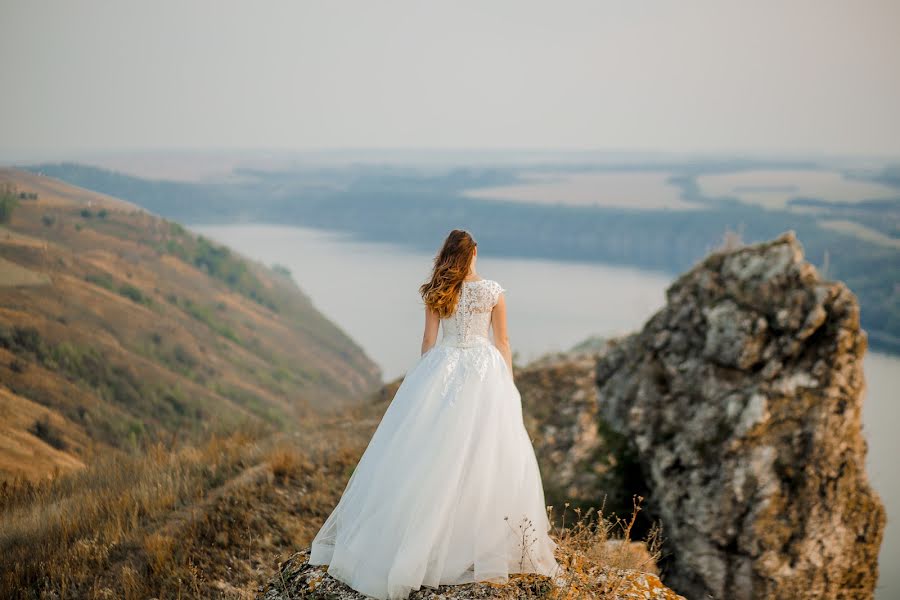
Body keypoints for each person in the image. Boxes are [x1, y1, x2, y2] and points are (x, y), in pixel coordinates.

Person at [308, 229, 560, 599]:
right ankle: (474, 539)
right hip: (483, 371)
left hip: (444, 366)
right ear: (472, 254)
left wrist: (424, 383)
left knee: (433, 455)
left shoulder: (436, 290)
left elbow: (428, 342)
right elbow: (502, 342)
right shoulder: (493, 291)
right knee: (483, 453)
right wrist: (508, 383)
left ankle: (423, 539)